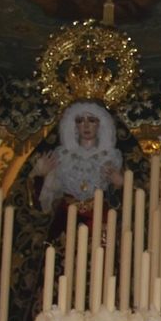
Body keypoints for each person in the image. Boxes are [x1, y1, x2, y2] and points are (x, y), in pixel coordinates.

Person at [33, 101, 122, 239]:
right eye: (80, 120)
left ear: (100, 124)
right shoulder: (63, 156)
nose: (86, 125)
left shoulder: (110, 157)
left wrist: (120, 184)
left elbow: (122, 199)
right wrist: (43, 176)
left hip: (98, 217)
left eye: (92, 120)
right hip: (66, 217)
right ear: (74, 126)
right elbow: (46, 200)